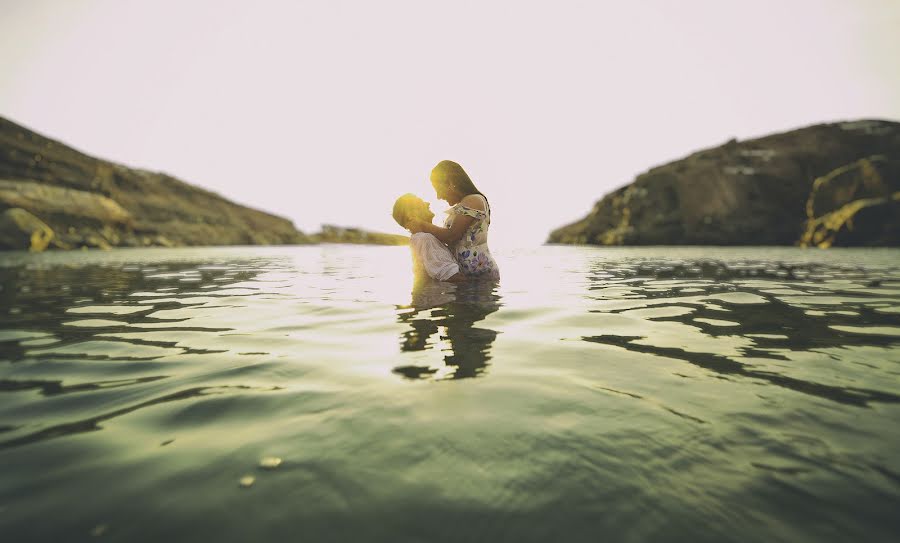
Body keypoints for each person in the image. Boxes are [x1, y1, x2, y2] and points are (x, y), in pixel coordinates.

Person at [409, 160, 499, 281]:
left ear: (450, 183)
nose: (438, 196)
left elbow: (452, 236)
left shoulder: (473, 200)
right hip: (469, 279)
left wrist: (422, 225)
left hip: (481, 277)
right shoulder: (463, 205)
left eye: (438, 189)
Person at [392, 193, 467, 282]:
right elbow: (453, 276)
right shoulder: (425, 239)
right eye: (420, 203)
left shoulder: (418, 239)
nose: (428, 203)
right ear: (411, 215)